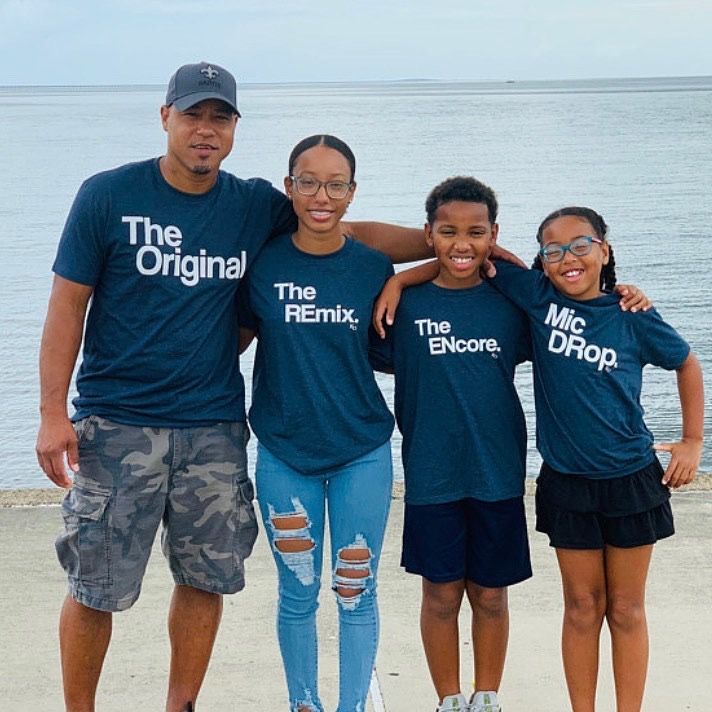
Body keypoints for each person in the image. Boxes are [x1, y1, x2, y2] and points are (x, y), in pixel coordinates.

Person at [35, 62, 434, 712]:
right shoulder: (107, 196)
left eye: (219, 117)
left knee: (206, 578)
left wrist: (445, 245)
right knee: (93, 584)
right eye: (192, 114)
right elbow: (65, 305)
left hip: (215, 428)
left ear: (234, 129)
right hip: (116, 422)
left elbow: (341, 232)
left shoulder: (253, 206)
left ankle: (180, 705)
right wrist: (52, 413)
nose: (205, 129)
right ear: (165, 117)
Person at [487, 207, 704, 712]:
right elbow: (481, 254)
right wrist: (401, 281)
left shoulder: (633, 315)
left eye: (581, 245)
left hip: (631, 479)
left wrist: (692, 440)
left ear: (605, 250)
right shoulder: (538, 298)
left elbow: (686, 361)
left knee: (626, 609)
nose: (568, 258)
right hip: (567, 483)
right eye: (553, 249)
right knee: (582, 608)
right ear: (541, 261)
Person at [236, 134, 396, 712]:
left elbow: (433, 291)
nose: (320, 195)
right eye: (308, 181)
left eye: (335, 183)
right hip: (284, 453)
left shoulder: (374, 267)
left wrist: (407, 276)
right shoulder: (262, 263)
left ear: (352, 193)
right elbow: (224, 335)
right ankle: (303, 703)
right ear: (289, 187)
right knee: (298, 592)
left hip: (362, 450)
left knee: (355, 591)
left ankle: (352, 706)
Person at [368, 177, 532, 712]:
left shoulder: (510, 303)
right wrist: (404, 278)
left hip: (499, 471)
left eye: (476, 232)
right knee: (440, 594)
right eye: (448, 231)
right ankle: (449, 700)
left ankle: (487, 698)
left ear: (494, 236)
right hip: (431, 473)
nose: (462, 243)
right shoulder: (403, 305)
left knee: (490, 593)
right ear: (429, 234)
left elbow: (565, 303)